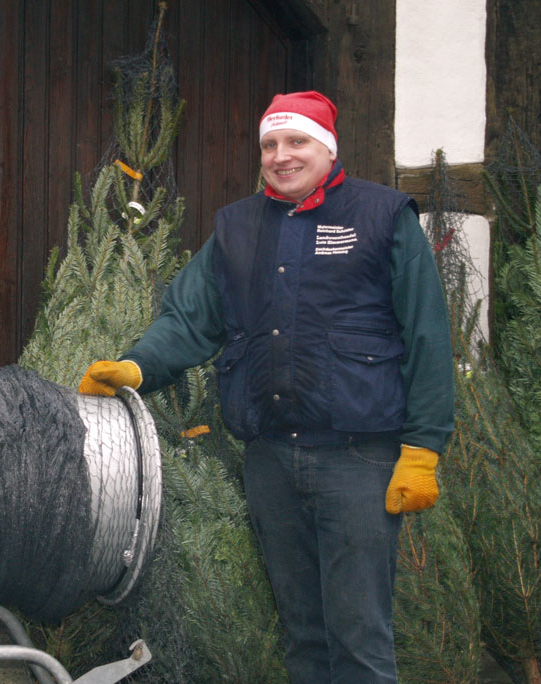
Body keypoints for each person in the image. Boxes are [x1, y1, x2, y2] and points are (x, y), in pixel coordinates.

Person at [78, 90, 454, 684]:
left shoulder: (383, 216)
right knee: (302, 635)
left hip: (358, 460)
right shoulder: (238, 226)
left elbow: (427, 332)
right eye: (269, 145)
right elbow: (189, 318)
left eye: (297, 141)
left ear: (328, 148)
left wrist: (424, 447)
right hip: (271, 460)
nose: (281, 156)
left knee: (359, 636)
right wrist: (137, 367)